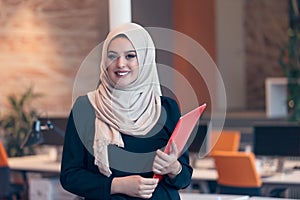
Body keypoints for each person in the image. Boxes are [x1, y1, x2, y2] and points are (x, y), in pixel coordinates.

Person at [60, 22, 193, 200]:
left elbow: (184, 179)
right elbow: (70, 176)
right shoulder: (86, 107)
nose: (120, 64)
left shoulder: (167, 108)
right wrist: (117, 185)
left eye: (130, 56)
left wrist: (174, 168)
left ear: (145, 60)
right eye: (112, 56)